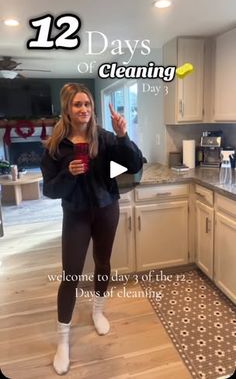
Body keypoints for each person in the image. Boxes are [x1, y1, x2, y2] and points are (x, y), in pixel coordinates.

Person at [40, 83, 143, 375]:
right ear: (67, 109)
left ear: (92, 108)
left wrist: (124, 135)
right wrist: (68, 174)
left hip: (106, 208)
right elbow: (49, 190)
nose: (83, 109)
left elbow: (134, 164)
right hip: (75, 215)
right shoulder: (55, 147)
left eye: (87, 104)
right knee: (70, 274)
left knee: (103, 263)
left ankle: (98, 310)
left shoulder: (106, 138)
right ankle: (63, 340)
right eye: (77, 105)